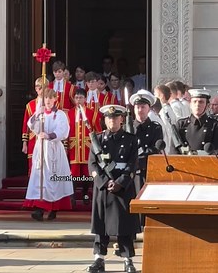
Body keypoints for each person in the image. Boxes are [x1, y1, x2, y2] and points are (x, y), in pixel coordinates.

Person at [87, 104, 139, 273]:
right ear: (105, 120)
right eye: (109, 118)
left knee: (124, 226)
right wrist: (103, 182)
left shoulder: (130, 139)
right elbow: (93, 165)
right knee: (101, 225)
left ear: (121, 119)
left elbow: (133, 164)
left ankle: (127, 259)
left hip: (122, 187)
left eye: (115, 117)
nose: (112, 120)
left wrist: (121, 182)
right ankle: (99, 259)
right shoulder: (99, 140)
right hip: (103, 189)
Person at [23, 88, 73, 220]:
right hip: (41, 148)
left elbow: (63, 130)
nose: (48, 101)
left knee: (53, 178)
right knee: (40, 177)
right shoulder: (41, 113)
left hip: (54, 148)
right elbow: (31, 125)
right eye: (46, 98)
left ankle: (53, 208)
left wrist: (50, 135)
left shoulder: (60, 114)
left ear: (55, 99)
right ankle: (39, 208)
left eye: (51, 98)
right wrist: (36, 115)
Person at [67, 88, 101, 206]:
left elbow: (97, 132)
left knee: (87, 174)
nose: (78, 100)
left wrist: (96, 147)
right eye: (76, 98)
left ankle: (86, 194)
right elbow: (66, 131)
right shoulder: (69, 113)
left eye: (81, 97)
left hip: (87, 148)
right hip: (74, 148)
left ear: (85, 99)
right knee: (74, 174)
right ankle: (73, 196)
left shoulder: (92, 113)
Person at [130, 90, 163, 193]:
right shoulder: (128, 127)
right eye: (137, 107)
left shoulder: (155, 128)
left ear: (149, 108)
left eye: (143, 107)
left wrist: (140, 154)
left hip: (148, 170)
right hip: (131, 173)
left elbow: (156, 148)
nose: (140, 110)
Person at [22, 77, 47, 175]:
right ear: (36, 89)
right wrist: (25, 143)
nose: (42, 90)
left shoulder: (52, 103)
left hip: (46, 138)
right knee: (33, 166)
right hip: (33, 139)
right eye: (39, 88)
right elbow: (25, 125)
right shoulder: (30, 105)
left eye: (44, 88)